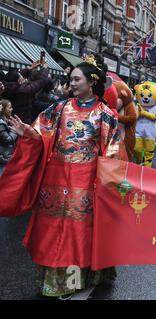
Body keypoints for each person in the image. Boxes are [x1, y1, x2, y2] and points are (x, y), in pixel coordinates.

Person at [0, 54, 121, 299]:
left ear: (91, 82)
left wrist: (109, 183)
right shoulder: (60, 107)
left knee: (79, 231)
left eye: (76, 79)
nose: (71, 83)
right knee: (52, 230)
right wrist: (28, 133)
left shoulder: (106, 114)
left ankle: (75, 280)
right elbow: (43, 133)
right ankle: (53, 282)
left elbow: (112, 151)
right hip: (55, 178)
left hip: (85, 181)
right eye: (71, 79)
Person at [0, 99, 17, 176]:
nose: (12, 109)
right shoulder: (1, 123)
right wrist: (15, 130)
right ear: (3, 109)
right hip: (2, 158)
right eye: (9, 107)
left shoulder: (5, 122)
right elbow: (7, 140)